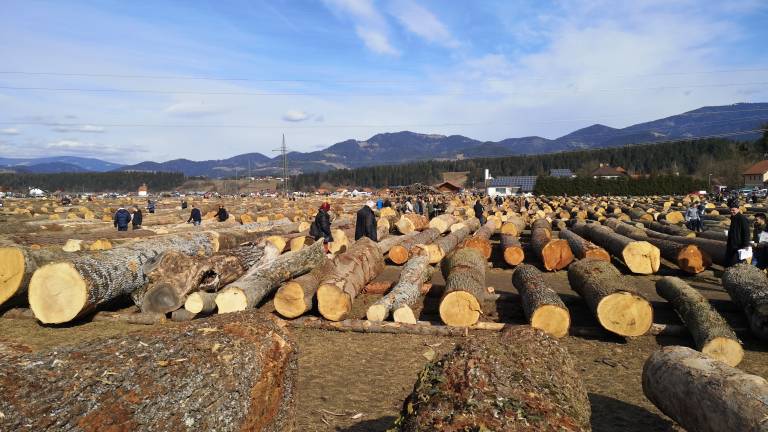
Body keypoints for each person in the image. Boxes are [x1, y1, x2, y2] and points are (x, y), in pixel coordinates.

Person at [726, 202, 751, 267]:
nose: (732, 211)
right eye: (731, 210)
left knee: (737, 262)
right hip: (732, 243)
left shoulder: (742, 219)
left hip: (739, 245)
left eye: (733, 210)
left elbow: (746, 232)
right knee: (730, 261)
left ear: (738, 209)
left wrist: (746, 244)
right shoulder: (733, 218)